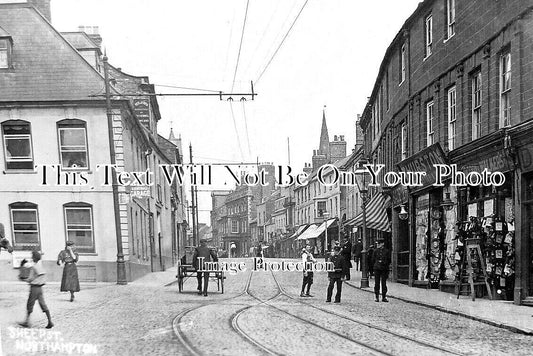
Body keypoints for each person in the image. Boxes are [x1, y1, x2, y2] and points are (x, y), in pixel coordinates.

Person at [19, 251, 53, 328]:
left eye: (32, 256)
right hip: (40, 288)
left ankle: (26, 322)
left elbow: (30, 278)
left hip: (34, 288)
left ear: (34, 258)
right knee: (43, 304)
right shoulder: (40, 266)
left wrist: (23, 279)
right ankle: (50, 321)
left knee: (30, 304)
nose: (31, 257)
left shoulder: (34, 267)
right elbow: (42, 276)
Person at [373, 238, 391, 302]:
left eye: (379, 243)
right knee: (376, 283)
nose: (378, 245)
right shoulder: (375, 251)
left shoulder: (386, 251)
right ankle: (377, 296)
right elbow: (373, 259)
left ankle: (384, 296)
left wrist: (384, 263)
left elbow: (389, 260)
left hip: (384, 269)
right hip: (377, 268)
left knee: (384, 283)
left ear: (382, 244)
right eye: (378, 243)